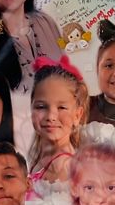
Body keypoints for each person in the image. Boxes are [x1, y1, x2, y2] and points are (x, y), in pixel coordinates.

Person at [28, 59, 88, 187]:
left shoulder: (64, 167)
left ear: (77, 115)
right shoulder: (38, 157)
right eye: (41, 107)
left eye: (62, 108)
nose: (51, 116)